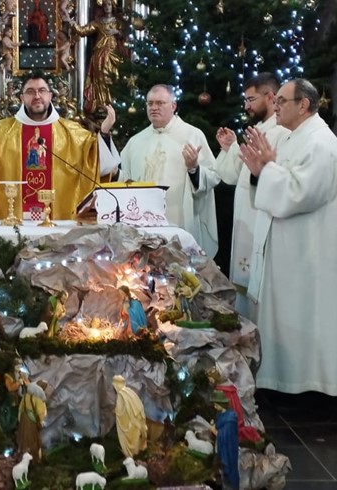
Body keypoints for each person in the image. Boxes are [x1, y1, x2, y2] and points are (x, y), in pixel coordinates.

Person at [240, 78, 337, 395]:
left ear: (304, 105)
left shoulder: (321, 143)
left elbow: (301, 191)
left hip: (307, 249)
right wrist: (262, 172)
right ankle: (280, 381)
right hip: (287, 245)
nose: (275, 106)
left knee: (304, 315)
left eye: (282, 101)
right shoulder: (295, 137)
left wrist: (266, 170)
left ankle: (305, 387)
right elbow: (279, 180)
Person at [0, 71, 120, 220]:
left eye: (42, 91)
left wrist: (104, 133)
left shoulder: (73, 132)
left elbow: (96, 160)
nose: (37, 96)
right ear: (21, 98)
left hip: (60, 218)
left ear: (50, 96)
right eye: (30, 91)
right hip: (12, 219)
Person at [215, 73, 290, 321]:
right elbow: (238, 176)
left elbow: (278, 178)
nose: (246, 106)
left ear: (270, 96)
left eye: (251, 99)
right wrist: (231, 148)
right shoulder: (258, 129)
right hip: (246, 215)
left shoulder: (281, 132)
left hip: (262, 215)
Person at [119, 84, 220, 258]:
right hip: (142, 223)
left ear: (173, 106)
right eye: (150, 103)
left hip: (178, 220)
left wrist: (194, 168)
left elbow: (213, 176)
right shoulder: (136, 142)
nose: (154, 108)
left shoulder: (192, 135)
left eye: (160, 103)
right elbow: (124, 180)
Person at [71, 0, 127, 114]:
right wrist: (71, 23)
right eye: (105, 5)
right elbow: (83, 31)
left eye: (109, 4)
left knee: (113, 78)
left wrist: (117, 32)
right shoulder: (98, 22)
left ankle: (113, 103)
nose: (107, 7)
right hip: (100, 55)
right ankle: (102, 104)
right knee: (100, 80)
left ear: (113, 6)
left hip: (113, 55)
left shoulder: (118, 22)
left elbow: (126, 36)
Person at [112, 374, 148, 457]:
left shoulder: (121, 395)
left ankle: (131, 455)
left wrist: (115, 412)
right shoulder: (130, 392)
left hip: (130, 424)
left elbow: (121, 412)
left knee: (131, 443)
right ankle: (135, 454)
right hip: (136, 422)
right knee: (135, 440)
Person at [17, 380, 48, 463]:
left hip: (24, 419)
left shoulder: (26, 396)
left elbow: (21, 408)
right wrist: (41, 421)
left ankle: (23, 454)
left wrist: (20, 419)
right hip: (32, 421)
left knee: (23, 438)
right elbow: (41, 412)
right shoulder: (38, 399)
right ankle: (34, 458)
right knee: (33, 439)